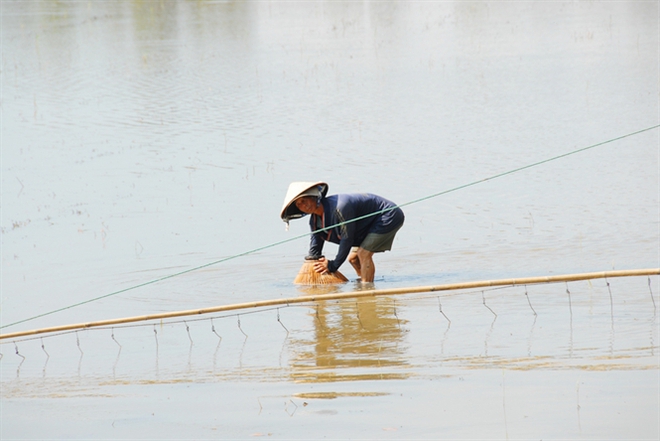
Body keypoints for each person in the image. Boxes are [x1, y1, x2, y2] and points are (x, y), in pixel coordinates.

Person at [280, 181, 404, 283]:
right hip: (366, 224)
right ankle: (365, 282)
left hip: (387, 214)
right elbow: (316, 242)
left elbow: (347, 238)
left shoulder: (341, 208)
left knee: (363, 254)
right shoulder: (314, 221)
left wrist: (333, 265)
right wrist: (314, 260)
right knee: (353, 259)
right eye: (299, 204)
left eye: (305, 200)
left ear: (315, 197)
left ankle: (367, 290)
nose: (304, 205)